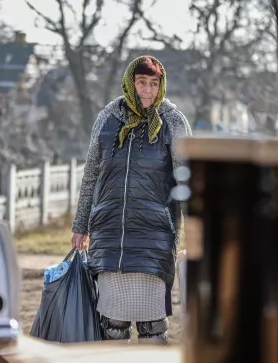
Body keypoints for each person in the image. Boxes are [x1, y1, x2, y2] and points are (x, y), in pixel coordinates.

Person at [71, 56, 192, 342]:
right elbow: (91, 175)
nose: (148, 90)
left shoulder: (173, 121)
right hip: (109, 235)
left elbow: (187, 182)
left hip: (154, 238)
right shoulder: (108, 118)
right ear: (130, 83)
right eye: (141, 83)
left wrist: (196, 236)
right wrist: (81, 225)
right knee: (112, 325)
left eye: (154, 83)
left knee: (153, 328)